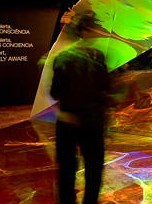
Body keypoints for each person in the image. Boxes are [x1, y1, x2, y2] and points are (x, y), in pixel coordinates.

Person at [50, 37, 110, 204]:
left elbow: (55, 92)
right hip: (92, 120)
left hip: (68, 119)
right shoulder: (97, 56)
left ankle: (67, 201)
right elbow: (105, 85)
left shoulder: (62, 57)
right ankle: (90, 201)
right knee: (93, 167)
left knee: (66, 168)